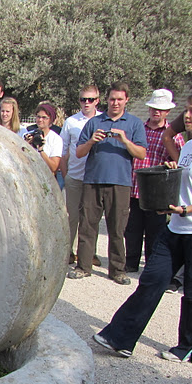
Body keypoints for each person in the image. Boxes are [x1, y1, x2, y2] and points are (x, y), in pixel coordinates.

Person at [94, 91, 192, 363]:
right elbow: (187, 184)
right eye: (186, 110)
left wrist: (187, 210)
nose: (187, 115)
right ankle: (121, 338)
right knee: (152, 279)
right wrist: (172, 175)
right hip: (176, 225)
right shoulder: (188, 147)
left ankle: (190, 349)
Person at [69, 82, 147, 285]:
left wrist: (125, 141)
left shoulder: (134, 123)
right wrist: (92, 141)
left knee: (117, 227)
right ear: (107, 100)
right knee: (87, 225)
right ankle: (83, 266)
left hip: (120, 182)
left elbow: (141, 153)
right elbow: (79, 152)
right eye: (112, 99)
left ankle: (118, 270)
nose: (115, 103)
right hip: (93, 181)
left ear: (126, 100)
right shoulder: (94, 123)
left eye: (120, 99)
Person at [125, 89, 184, 273]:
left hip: (158, 193)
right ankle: (131, 262)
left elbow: (181, 162)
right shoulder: (138, 129)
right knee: (132, 230)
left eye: (161, 109)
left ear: (168, 112)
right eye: (153, 108)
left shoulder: (175, 136)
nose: (156, 112)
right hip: (135, 187)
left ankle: (151, 264)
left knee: (155, 232)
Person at [61, 86, 102, 264]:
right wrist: (65, 174)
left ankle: (89, 254)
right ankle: (67, 251)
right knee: (72, 217)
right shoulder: (71, 122)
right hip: (75, 176)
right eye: (83, 99)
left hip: (95, 177)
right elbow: (63, 151)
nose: (86, 103)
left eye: (90, 99)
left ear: (97, 101)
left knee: (92, 218)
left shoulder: (103, 121)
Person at [24, 103, 63, 180]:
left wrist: (41, 150)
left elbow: (53, 167)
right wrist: (26, 145)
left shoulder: (56, 139)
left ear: (51, 120)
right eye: (38, 117)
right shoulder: (27, 134)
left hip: (46, 179)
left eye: (44, 118)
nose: (40, 120)